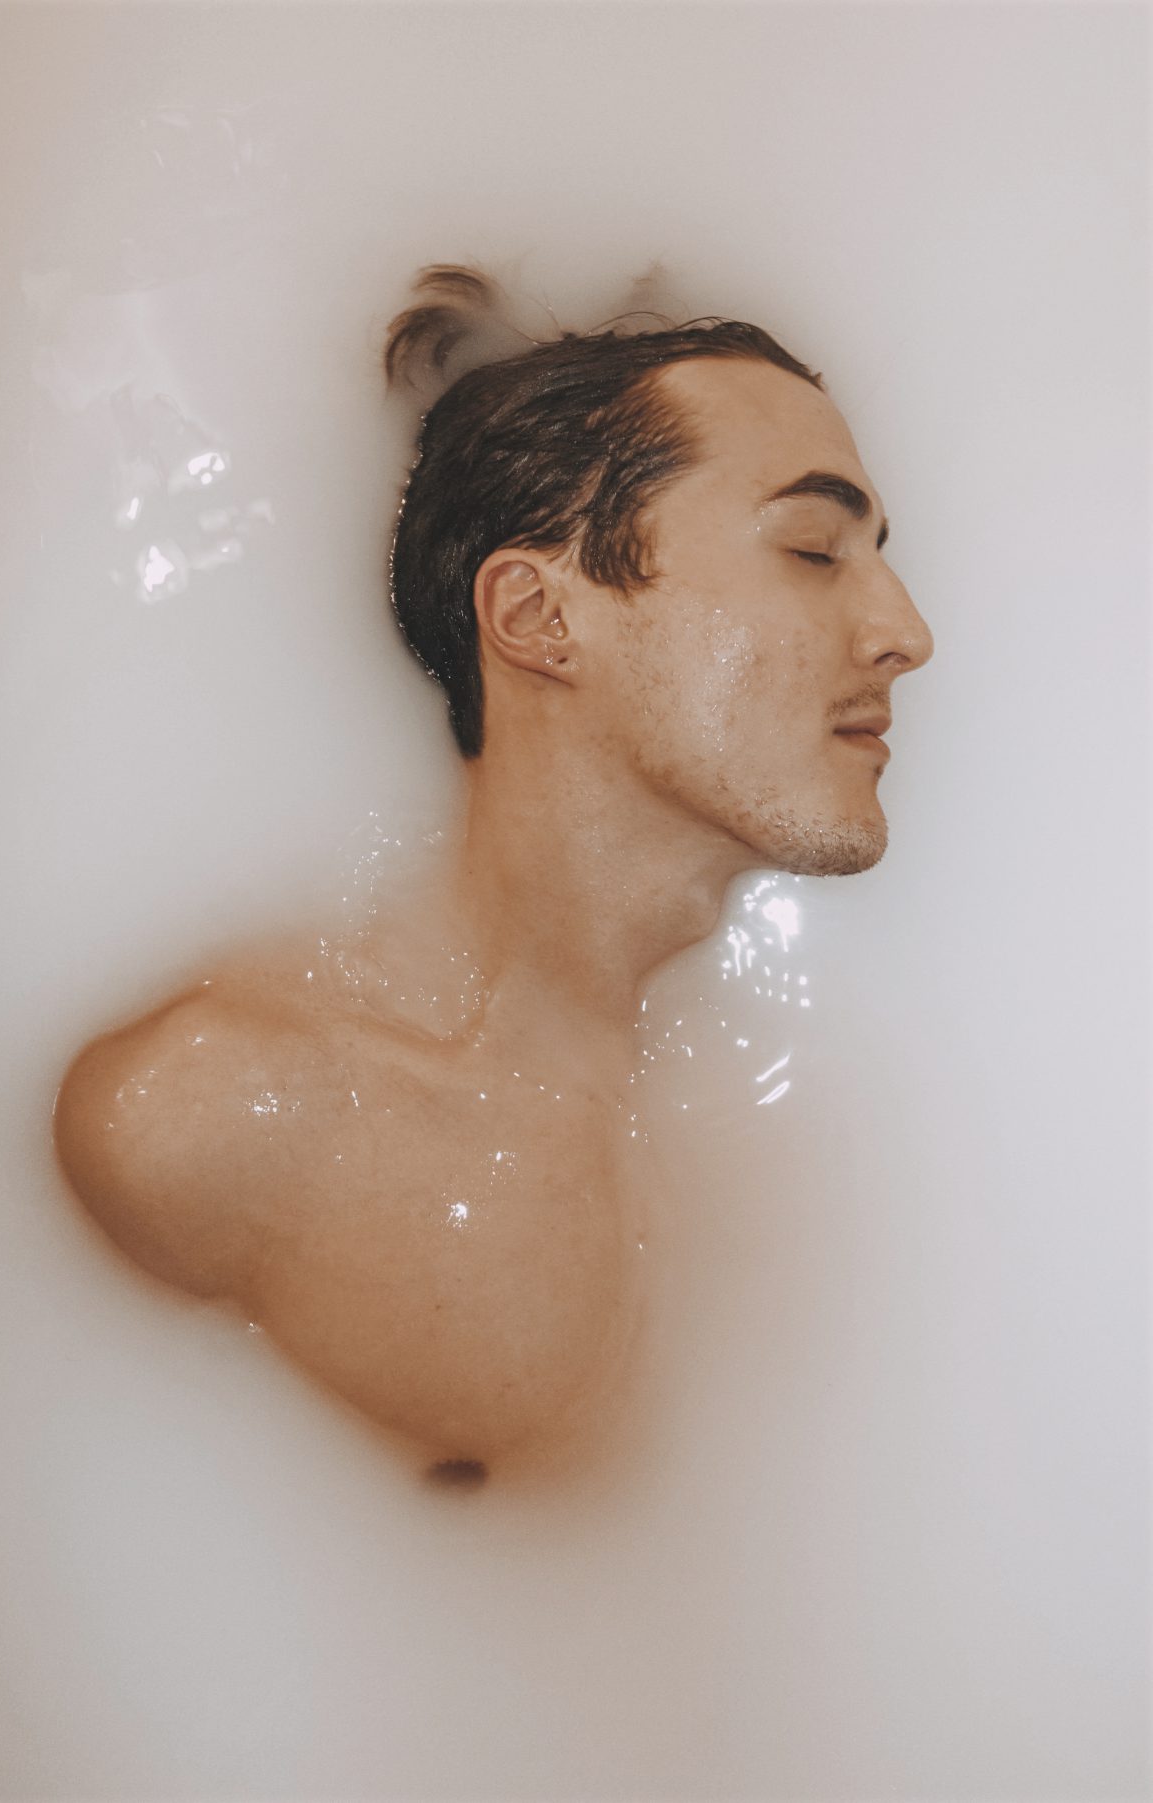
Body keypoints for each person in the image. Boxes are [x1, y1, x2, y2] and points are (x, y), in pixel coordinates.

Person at [52, 263, 933, 1482]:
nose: (906, 633)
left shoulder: (785, 1131)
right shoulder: (210, 1119)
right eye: (812, 549)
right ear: (536, 617)